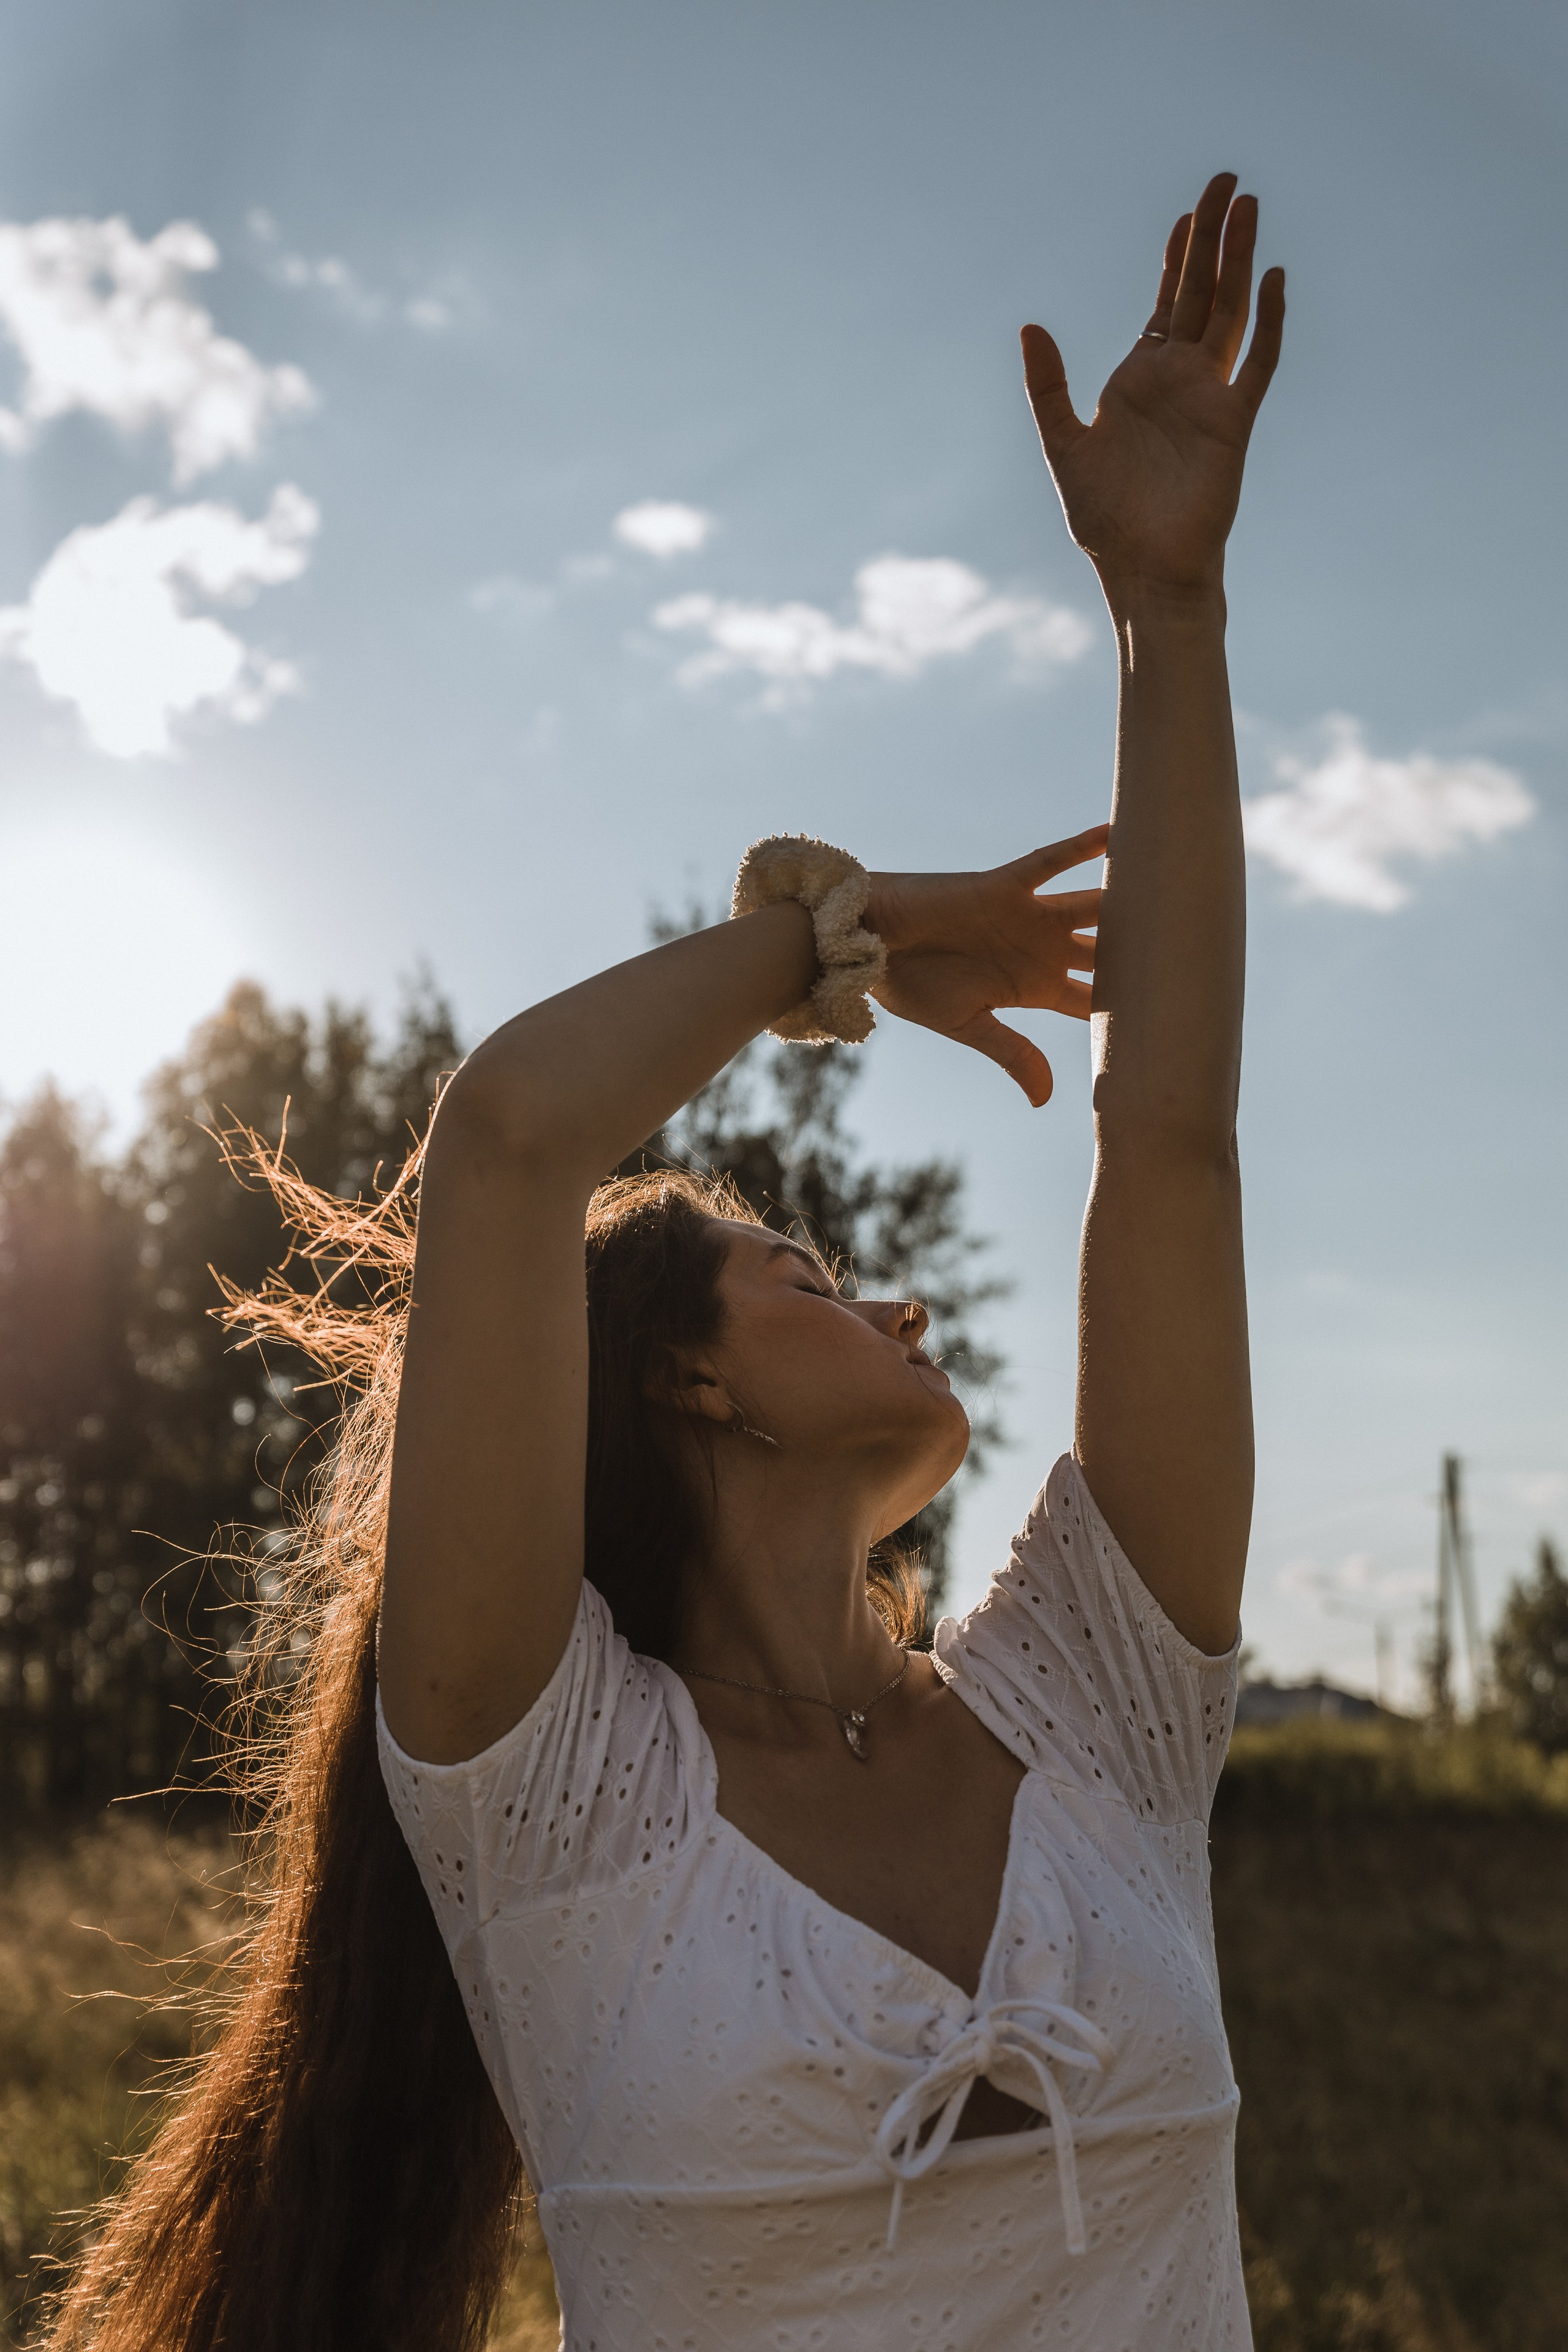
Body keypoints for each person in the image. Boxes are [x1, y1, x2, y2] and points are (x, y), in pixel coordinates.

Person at [45, 172, 1281, 2352]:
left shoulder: (1097, 1715)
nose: (893, 1301)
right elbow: (512, 1150)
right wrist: (830, 937)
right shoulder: (559, 1804)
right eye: (806, 1278)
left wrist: (1166, 622)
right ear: (682, 1383)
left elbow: (1166, 1140)